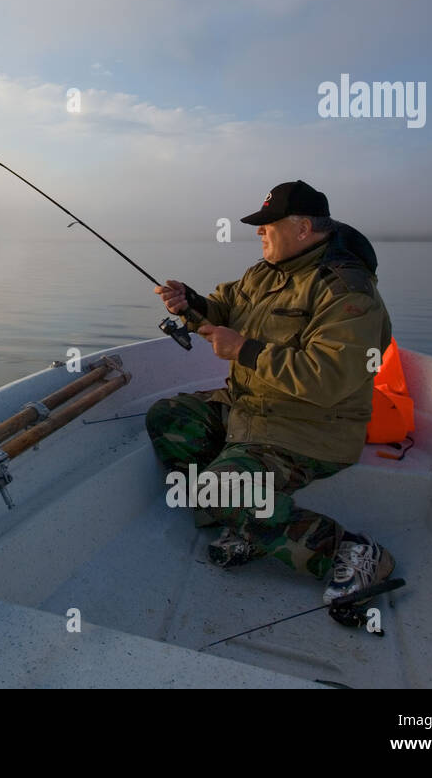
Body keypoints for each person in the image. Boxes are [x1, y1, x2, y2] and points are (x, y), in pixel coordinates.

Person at [146, 180, 395, 605]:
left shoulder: (347, 291)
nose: (259, 232)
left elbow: (328, 377)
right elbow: (224, 307)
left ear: (302, 229)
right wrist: (190, 303)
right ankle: (246, 523)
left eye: (267, 225)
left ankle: (350, 552)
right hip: (250, 409)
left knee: (216, 487)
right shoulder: (264, 273)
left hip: (310, 429)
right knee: (168, 418)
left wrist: (244, 349)